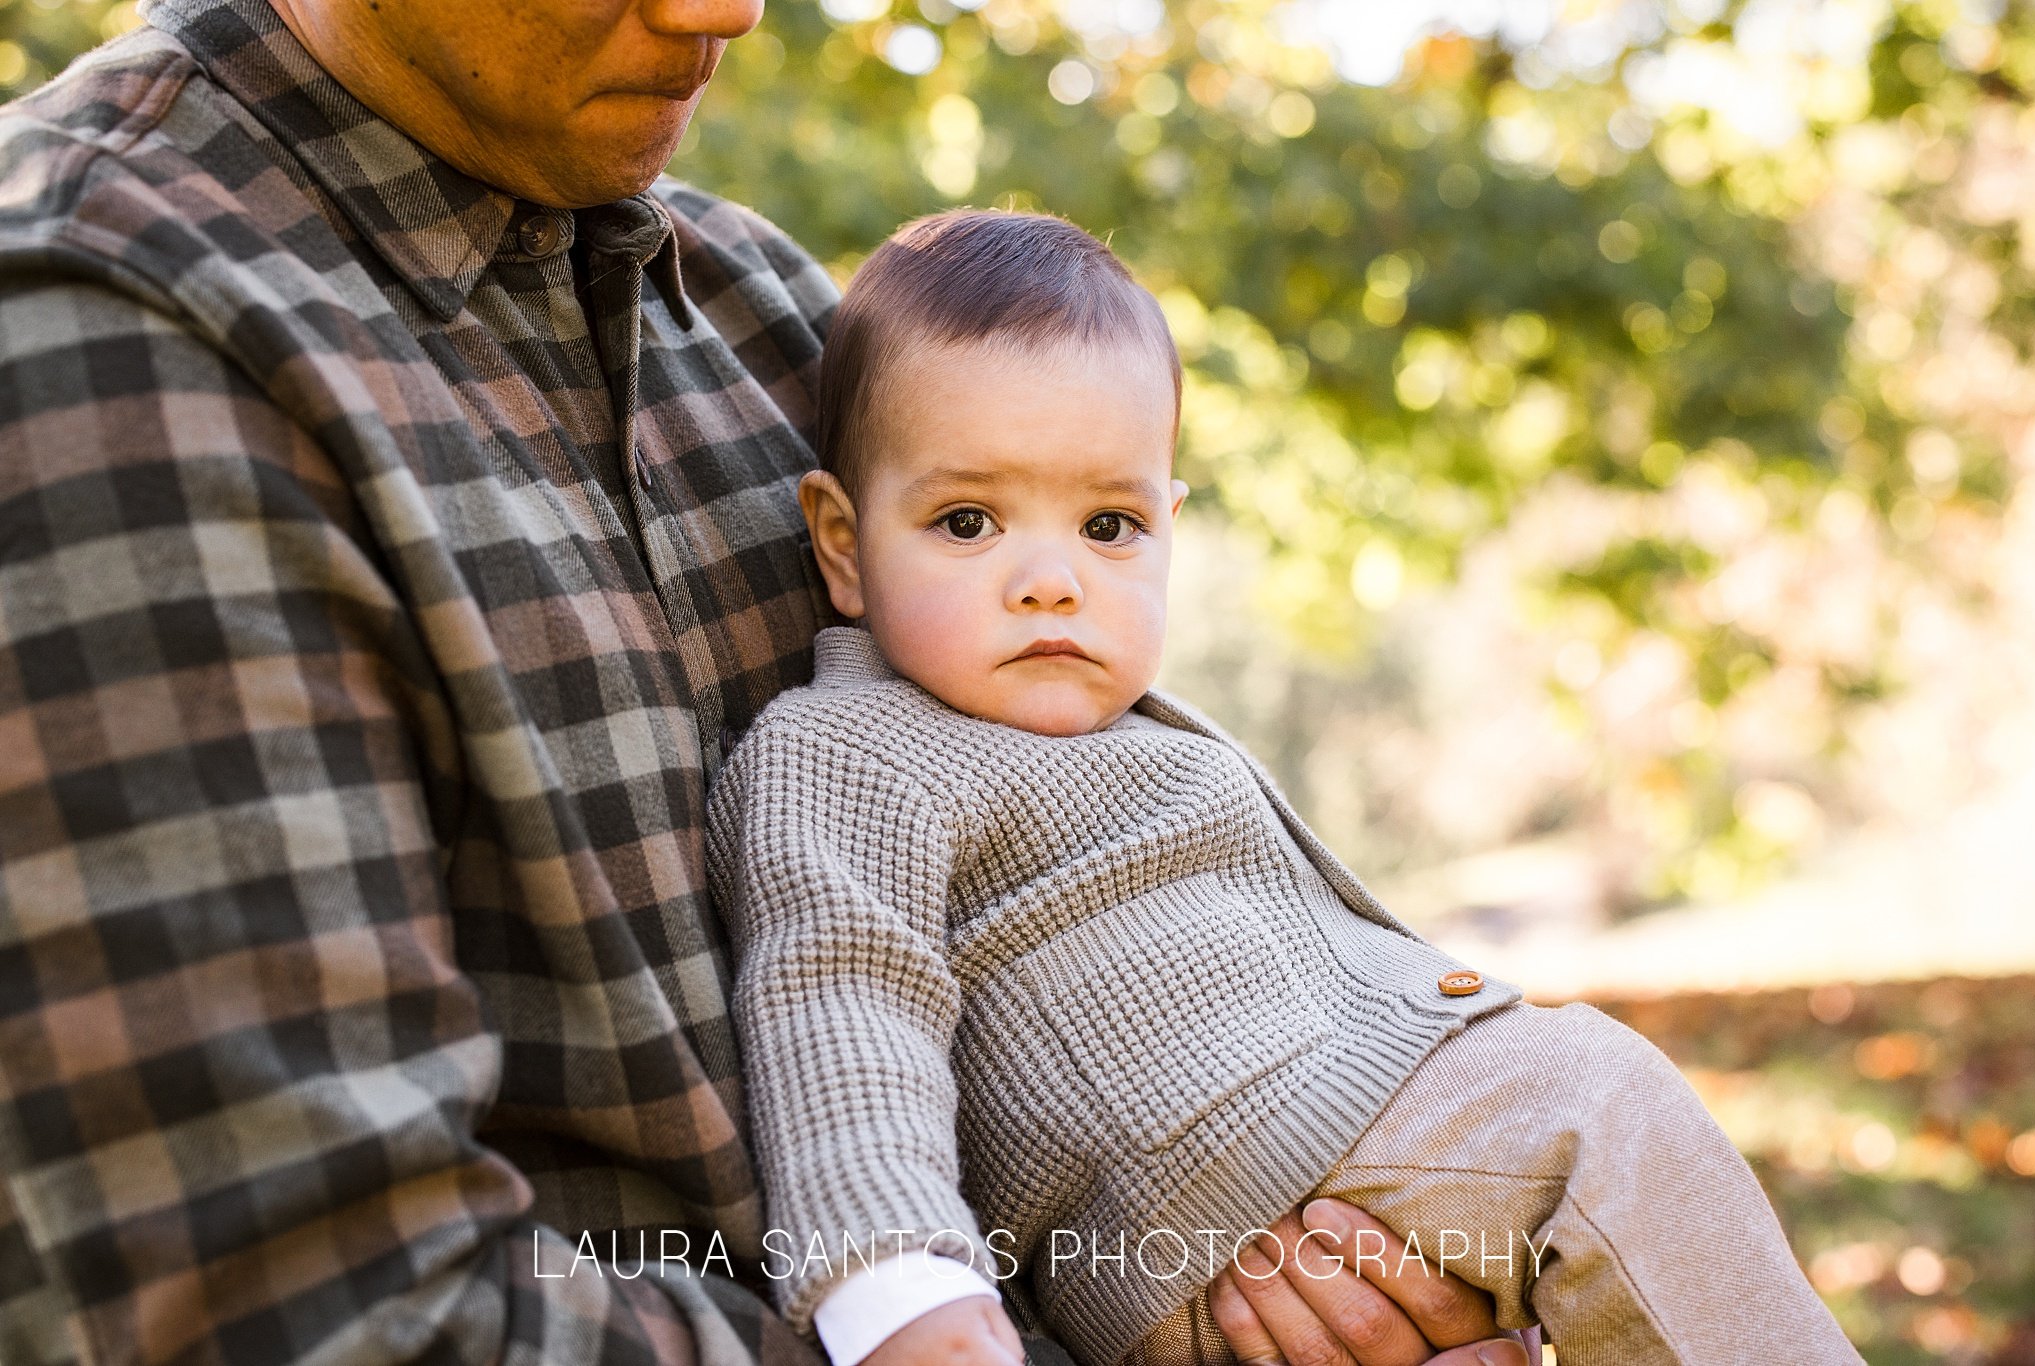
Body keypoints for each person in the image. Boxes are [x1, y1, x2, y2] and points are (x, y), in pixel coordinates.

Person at [0, 2, 1533, 1363]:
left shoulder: (758, 316)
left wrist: (1290, 1245)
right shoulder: (111, 330)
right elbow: (320, 1304)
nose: (723, 11)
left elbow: (1052, 912)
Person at [706, 209, 1867, 1366]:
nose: (1050, 580)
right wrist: (898, 1285)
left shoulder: (1124, 728)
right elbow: (839, 1001)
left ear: (1170, 523)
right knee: (1603, 1112)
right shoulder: (845, 748)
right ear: (844, 546)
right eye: (968, 521)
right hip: (1238, 1180)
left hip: (1319, 1166)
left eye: (1109, 524)